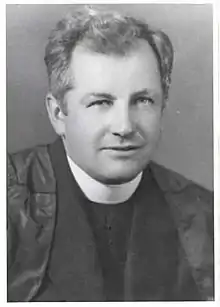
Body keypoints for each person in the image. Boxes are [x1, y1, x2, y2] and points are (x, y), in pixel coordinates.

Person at [7, 6, 214, 302]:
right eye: (101, 102)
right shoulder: (10, 202)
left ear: (162, 107)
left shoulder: (206, 218)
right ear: (57, 113)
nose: (125, 126)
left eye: (143, 100)